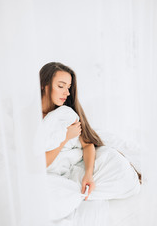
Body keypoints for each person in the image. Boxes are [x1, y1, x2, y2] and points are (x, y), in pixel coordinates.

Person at [39, 62, 141, 223]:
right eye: (61, 86)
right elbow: (38, 163)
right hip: (53, 174)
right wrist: (65, 137)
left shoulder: (66, 114)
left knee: (118, 168)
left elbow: (87, 144)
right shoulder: (33, 118)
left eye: (69, 87)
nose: (66, 93)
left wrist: (88, 174)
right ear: (44, 85)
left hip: (78, 164)